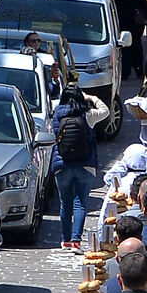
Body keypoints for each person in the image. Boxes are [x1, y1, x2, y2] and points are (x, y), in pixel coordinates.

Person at [52, 81, 97, 251]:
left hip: (62, 164)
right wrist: (90, 97)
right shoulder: (88, 114)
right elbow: (106, 111)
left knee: (65, 203)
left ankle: (65, 240)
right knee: (80, 203)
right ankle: (76, 241)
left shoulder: (57, 114)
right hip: (85, 164)